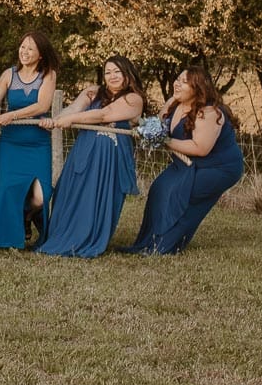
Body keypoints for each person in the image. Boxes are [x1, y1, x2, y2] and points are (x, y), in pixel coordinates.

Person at [37, 56, 147, 258]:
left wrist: (71, 120)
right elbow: (73, 109)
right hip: (84, 149)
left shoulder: (134, 99)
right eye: (108, 72)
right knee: (70, 191)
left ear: (127, 73)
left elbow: (103, 115)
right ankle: (62, 235)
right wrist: (55, 119)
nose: (112, 76)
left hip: (109, 157)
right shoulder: (93, 92)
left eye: (117, 71)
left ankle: (88, 237)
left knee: (96, 195)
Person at [129, 67, 246, 254]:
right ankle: (145, 242)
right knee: (159, 189)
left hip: (218, 167)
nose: (177, 83)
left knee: (182, 197)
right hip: (186, 163)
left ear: (198, 87)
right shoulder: (173, 104)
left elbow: (200, 148)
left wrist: (164, 140)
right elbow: (157, 126)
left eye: (184, 82)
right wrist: (144, 128)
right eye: (177, 79)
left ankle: (164, 246)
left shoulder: (209, 113)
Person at [0, 31, 60, 250]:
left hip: (37, 142)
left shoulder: (48, 74)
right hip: (11, 143)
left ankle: (25, 218)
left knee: (40, 196)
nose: (24, 52)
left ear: (41, 55)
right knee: (6, 189)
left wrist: (11, 115)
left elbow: (42, 106)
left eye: (30, 49)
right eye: (22, 47)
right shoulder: (9, 74)